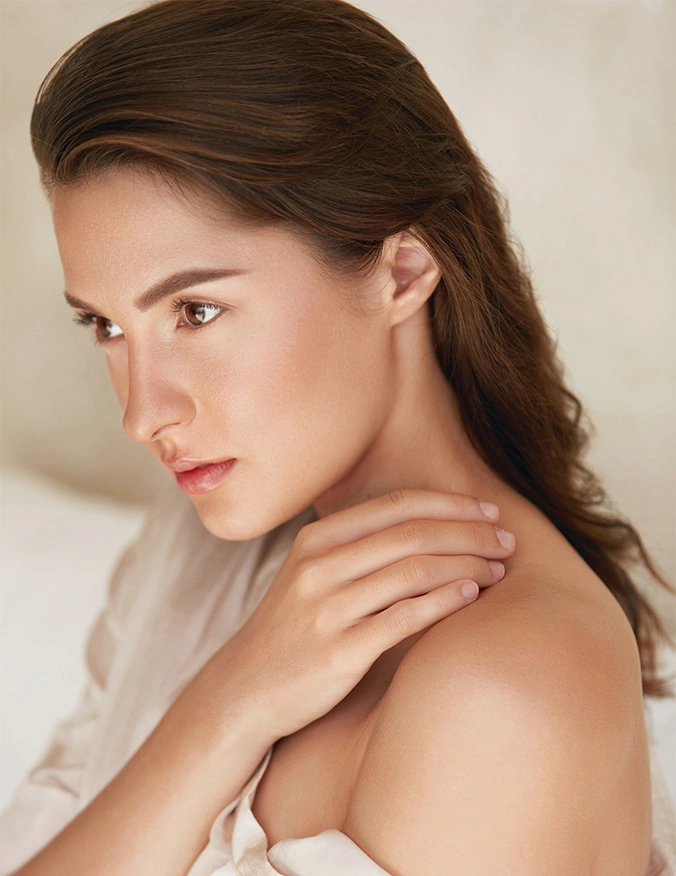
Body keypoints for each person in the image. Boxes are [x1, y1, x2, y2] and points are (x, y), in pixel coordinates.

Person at [1, 1, 674, 874]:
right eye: (106, 327)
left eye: (195, 311)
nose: (143, 415)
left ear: (403, 269)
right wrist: (226, 704)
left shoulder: (509, 685)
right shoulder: (195, 550)